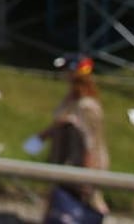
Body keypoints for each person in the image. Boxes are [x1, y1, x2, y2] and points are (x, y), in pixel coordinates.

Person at [34, 55, 110, 218]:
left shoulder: (87, 106)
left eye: (67, 71)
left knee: (91, 203)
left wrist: (87, 173)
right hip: (66, 159)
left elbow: (90, 142)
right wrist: (40, 138)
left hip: (82, 163)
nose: (64, 75)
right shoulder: (71, 100)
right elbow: (61, 122)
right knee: (57, 200)